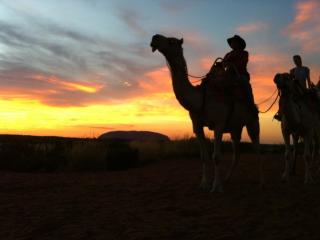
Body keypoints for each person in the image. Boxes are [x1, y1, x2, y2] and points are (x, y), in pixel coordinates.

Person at [222, 35, 257, 115]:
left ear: (239, 44)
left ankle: (251, 106)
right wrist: (220, 65)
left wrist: (230, 64)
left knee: (245, 84)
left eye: (234, 42)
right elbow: (223, 63)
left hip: (240, 75)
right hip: (228, 75)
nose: (232, 44)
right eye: (232, 42)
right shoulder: (228, 54)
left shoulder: (244, 53)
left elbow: (242, 64)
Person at [274, 55, 312, 121]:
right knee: (283, 98)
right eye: (294, 60)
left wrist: (309, 89)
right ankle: (280, 114)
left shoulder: (306, 69)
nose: (295, 61)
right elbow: (290, 81)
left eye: (296, 60)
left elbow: (308, 80)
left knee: (312, 100)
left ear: (300, 59)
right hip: (295, 90)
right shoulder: (293, 70)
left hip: (303, 89)